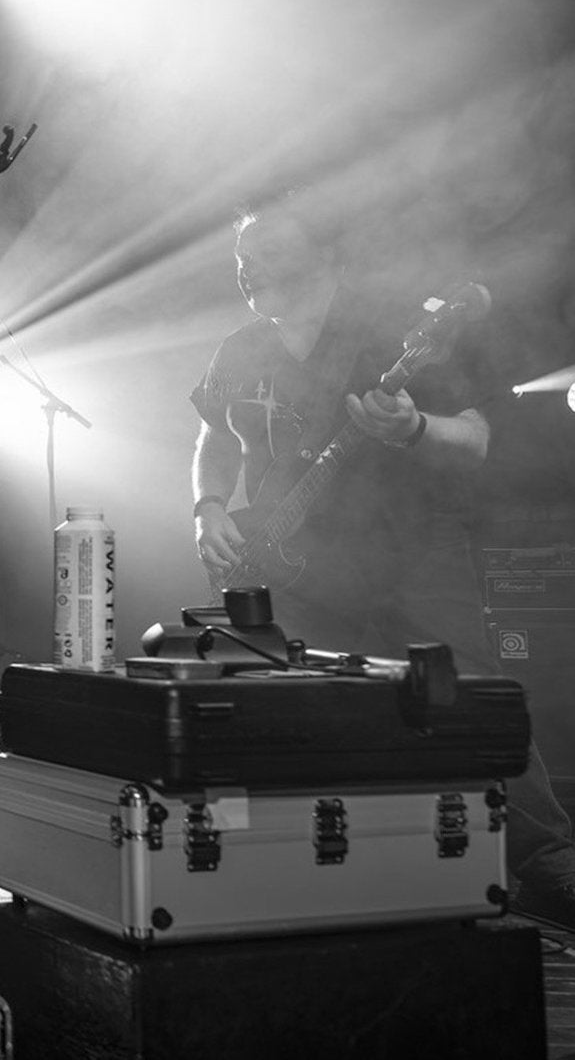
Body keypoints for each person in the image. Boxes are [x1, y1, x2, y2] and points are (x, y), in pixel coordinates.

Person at [191, 207, 575, 927]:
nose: (246, 268)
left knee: (467, 692)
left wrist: (414, 427)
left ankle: (543, 856)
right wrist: (208, 507)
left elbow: (477, 437)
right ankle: (324, 861)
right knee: (299, 712)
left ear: (322, 253)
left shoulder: (396, 335)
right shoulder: (238, 349)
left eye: (266, 249)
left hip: (411, 549)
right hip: (292, 565)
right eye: (239, 255)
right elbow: (212, 435)